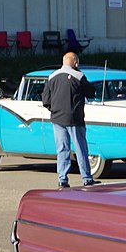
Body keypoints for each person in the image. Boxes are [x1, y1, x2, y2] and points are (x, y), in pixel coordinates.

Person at [41, 51, 96, 188]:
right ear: (75, 63)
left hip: (57, 118)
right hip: (74, 118)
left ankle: (62, 179)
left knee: (62, 149)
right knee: (80, 148)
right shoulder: (79, 76)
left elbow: (45, 99)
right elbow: (91, 92)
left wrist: (53, 109)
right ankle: (86, 178)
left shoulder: (52, 76)